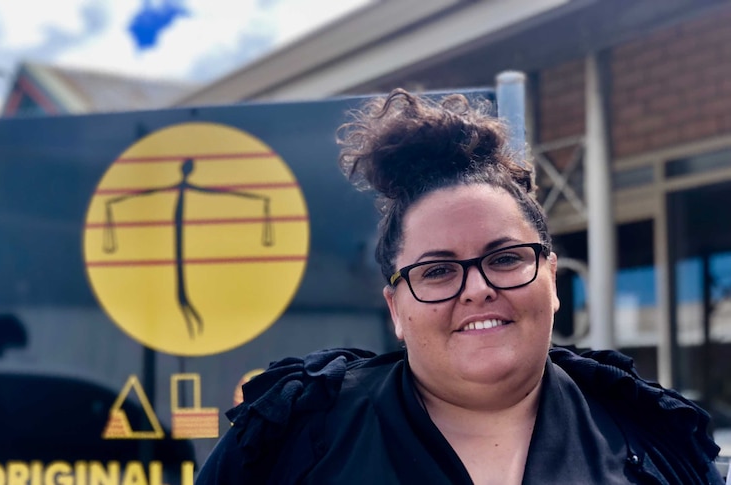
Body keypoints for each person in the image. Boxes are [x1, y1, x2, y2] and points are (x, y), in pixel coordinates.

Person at [196, 90, 723, 484]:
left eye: (505, 258)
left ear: (552, 279)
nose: (477, 290)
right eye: (437, 271)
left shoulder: (651, 437)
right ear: (395, 308)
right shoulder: (292, 442)